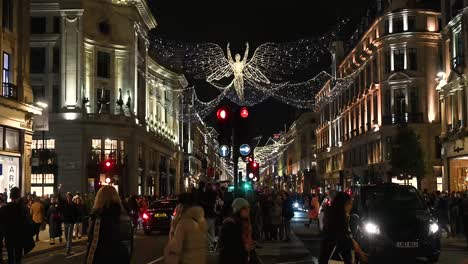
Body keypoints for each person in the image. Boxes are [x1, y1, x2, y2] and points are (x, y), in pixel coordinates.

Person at [85, 185, 133, 264]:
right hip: (123, 258)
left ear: (99, 198)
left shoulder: (100, 218)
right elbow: (129, 243)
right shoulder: (125, 217)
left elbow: (93, 247)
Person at [319, 192, 367, 264]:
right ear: (345, 204)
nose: (351, 206)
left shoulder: (331, 216)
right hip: (338, 257)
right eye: (350, 203)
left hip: (327, 256)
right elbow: (348, 238)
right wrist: (361, 253)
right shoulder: (341, 220)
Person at [164, 193, 207, 264]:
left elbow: (175, 248)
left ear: (182, 206)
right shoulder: (200, 219)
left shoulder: (183, 224)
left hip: (186, 260)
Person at [0, 187, 35, 264]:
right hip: (19, 236)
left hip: (9, 236)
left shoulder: (5, 208)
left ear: (11, 196)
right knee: (18, 257)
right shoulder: (23, 209)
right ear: (19, 196)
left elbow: (1, 223)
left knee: (10, 257)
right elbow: (28, 223)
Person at [218, 198, 256, 264]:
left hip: (244, 257)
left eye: (248, 207)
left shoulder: (246, 223)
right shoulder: (229, 224)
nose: (248, 210)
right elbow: (228, 246)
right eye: (244, 208)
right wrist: (244, 246)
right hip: (232, 259)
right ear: (238, 210)